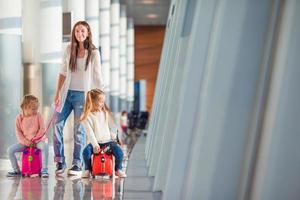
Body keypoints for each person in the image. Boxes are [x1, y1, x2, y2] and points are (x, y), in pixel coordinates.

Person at [53, 21, 104, 176]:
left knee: (79, 130)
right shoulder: (69, 49)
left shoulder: (94, 53)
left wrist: (100, 99)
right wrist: (57, 93)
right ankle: (59, 161)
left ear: (88, 33)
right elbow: (62, 72)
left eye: (82, 31)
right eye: (77, 31)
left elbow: (98, 77)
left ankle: (77, 164)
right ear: (74, 34)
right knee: (56, 124)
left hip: (83, 96)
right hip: (66, 94)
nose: (79, 34)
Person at [81, 89, 127, 178]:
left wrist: (116, 139)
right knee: (85, 152)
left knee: (119, 152)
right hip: (95, 143)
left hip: (108, 142)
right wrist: (95, 145)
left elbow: (109, 129)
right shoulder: (87, 116)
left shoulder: (105, 113)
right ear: (92, 101)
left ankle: (118, 169)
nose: (102, 104)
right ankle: (88, 169)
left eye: (103, 102)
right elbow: (90, 133)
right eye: (100, 101)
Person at [6, 95, 49, 178]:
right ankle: (16, 170)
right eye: (33, 108)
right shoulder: (19, 118)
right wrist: (27, 142)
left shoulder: (38, 116)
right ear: (25, 107)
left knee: (45, 147)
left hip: (38, 141)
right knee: (10, 150)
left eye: (37, 108)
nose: (36, 110)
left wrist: (35, 140)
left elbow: (42, 129)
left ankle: (44, 170)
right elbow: (19, 134)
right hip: (26, 142)